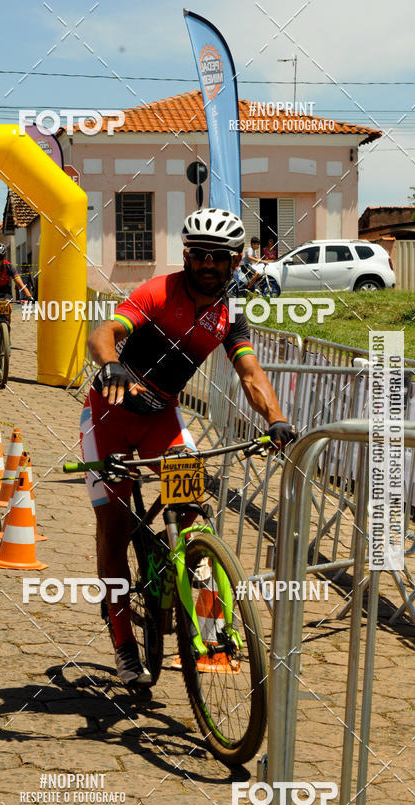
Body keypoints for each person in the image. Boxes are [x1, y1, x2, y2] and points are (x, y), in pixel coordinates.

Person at [82, 208, 297, 687]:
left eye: (218, 256)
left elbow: (249, 373)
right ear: (186, 255)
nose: (207, 263)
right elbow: (105, 332)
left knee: (193, 520)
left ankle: (210, 628)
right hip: (110, 417)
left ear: (236, 259)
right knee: (113, 530)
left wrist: (276, 418)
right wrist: (112, 363)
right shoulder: (157, 292)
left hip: (162, 418)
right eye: (198, 254)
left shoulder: (229, 312)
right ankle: (122, 643)